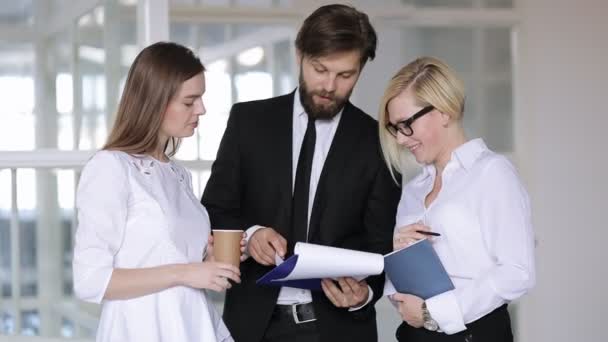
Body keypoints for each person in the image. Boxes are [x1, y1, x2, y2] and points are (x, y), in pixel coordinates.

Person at [201, 4, 400, 342]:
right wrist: (251, 234)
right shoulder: (248, 122)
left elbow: (383, 247)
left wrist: (363, 296)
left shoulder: (379, 141)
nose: (329, 85)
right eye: (319, 69)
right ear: (299, 54)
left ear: (361, 70)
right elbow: (214, 209)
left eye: (345, 75)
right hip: (252, 326)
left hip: (339, 330)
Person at [72, 42, 243, 342]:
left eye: (200, 99)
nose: (201, 109)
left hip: (190, 325)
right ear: (155, 102)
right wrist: (185, 272)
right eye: (189, 102)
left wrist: (209, 259)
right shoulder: (111, 168)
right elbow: (90, 280)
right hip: (140, 330)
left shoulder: (178, 174)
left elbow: (170, 253)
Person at [378, 56, 536, 341]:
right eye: (394, 128)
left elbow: (517, 272)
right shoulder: (413, 190)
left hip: (476, 334)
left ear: (444, 111)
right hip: (415, 335)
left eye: (406, 124)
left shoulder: (492, 173)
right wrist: (401, 257)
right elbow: (399, 295)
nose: (400, 139)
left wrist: (433, 311)